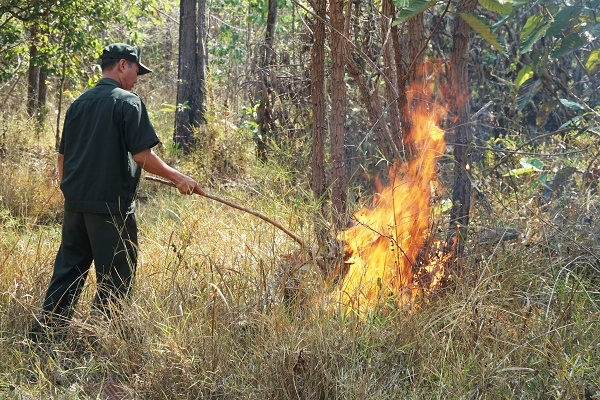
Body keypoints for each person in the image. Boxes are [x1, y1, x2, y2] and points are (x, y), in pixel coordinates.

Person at [29, 43, 204, 342]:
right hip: (112, 208)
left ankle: (44, 339)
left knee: (68, 271)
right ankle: (104, 340)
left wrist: (70, 191)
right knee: (117, 276)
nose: (137, 77)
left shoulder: (78, 104)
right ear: (123, 65)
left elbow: (62, 157)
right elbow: (142, 156)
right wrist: (178, 177)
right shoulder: (128, 103)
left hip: (76, 205)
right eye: (137, 70)